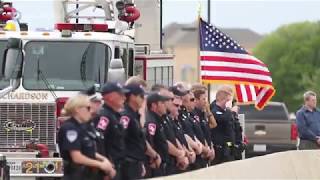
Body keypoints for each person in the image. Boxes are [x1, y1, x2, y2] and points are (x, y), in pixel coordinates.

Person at [58, 94, 116, 180]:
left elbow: (87, 150)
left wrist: (104, 160)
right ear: (77, 109)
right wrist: (100, 164)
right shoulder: (70, 128)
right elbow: (77, 157)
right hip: (75, 175)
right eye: (88, 108)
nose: (91, 111)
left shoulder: (82, 127)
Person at [94, 82, 129, 180]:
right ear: (111, 97)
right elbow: (99, 143)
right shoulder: (104, 117)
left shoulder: (115, 115)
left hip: (119, 166)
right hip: (110, 169)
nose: (124, 98)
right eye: (121, 95)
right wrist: (105, 171)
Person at [120, 84, 148, 179]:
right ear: (132, 97)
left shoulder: (134, 115)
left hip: (136, 163)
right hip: (128, 165)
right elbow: (120, 139)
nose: (143, 99)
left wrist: (140, 163)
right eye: (141, 96)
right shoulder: (126, 116)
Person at [144, 92, 171, 177]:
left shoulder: (159, 119)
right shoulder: (151, 121)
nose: (164, 105)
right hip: (155, 166)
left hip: (162, 164)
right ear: (154, 105)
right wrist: (153, 159)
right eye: (162, 103)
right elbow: (149, 141)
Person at [210, 88, 236, 164]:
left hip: (228, 147)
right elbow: (222, 119)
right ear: (224, 100)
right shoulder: (215, 110)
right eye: (229, 100)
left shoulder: (225, 112)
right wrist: (229, 110)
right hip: (219, 150)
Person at [193, 89, 215, 165]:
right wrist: (207, 149)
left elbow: (208, 130)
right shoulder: (194, 115)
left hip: (207, 153)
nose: (206, 102)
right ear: (196, 100)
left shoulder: (202, 114)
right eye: (203, 99)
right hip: (200, 154)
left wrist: (211, 147)